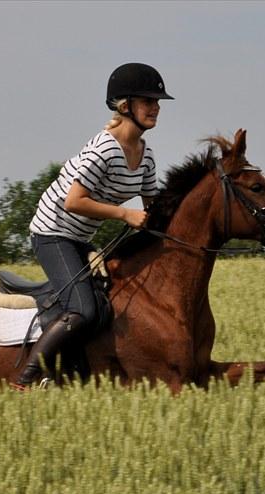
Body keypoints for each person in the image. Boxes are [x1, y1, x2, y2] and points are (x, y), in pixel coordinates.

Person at [12, 62, 174, 390]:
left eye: (158, 102)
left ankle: (75, 373)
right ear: (125, 106)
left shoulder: (146, 155)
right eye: (148, 101)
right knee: (84, 310)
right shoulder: (104, 148)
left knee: (105, 306)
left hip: (81, 237)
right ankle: (26, 379)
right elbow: (74, 201)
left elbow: (152, 210)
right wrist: (124, 215)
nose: (156, 107)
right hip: (52, 232)